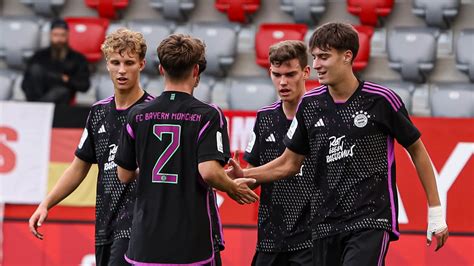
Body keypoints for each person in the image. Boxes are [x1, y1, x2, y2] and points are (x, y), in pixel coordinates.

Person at [230, 22, 449, 265]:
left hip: (370, 220)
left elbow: (417, 150)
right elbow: (289, 163)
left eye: (324, 57)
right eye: (314, 57)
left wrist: (436, 213)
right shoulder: (310, 105)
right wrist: (249, 175)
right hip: (323, 225)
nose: (316, 65)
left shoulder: (381, 100)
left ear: (347, 56)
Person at [114, 33, 259, 265]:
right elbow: (209, 172)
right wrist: (231, 186)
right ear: (196, 70)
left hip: (145, 242)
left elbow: (124, 174)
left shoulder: (137, 114)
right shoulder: (208, 115)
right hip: (191, 244)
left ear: (161, 69)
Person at [29, 28, 154, 266]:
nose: (121, 70)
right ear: (107, 64)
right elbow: (78, 167)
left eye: (129, 62)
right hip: (105, 221)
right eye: (115, 62)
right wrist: (46, 204)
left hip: (139, 223)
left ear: (141, 64)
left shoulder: (152, 112)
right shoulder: (98, 113)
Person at [243, 40, 313, 266]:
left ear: (306, 72)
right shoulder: (265, 118)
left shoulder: (321, 116)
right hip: (271, 238)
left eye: (291, 74)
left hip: (311, 240)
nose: (283, 82)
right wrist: (236, 177)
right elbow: (251, 180)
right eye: (277, 74)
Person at [21, 18, 90, 104]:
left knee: (61, 91)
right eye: (56, 35)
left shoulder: (78, 58)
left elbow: (84, 86)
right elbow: (24, 84)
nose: (59, 39)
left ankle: (38, 108)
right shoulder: (39, 56)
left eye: (62, 35)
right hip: (37, 95)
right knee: (35, 70)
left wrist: (67, 80)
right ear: (50, 35)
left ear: (67, 35)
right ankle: (39, 107)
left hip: (61, 103)